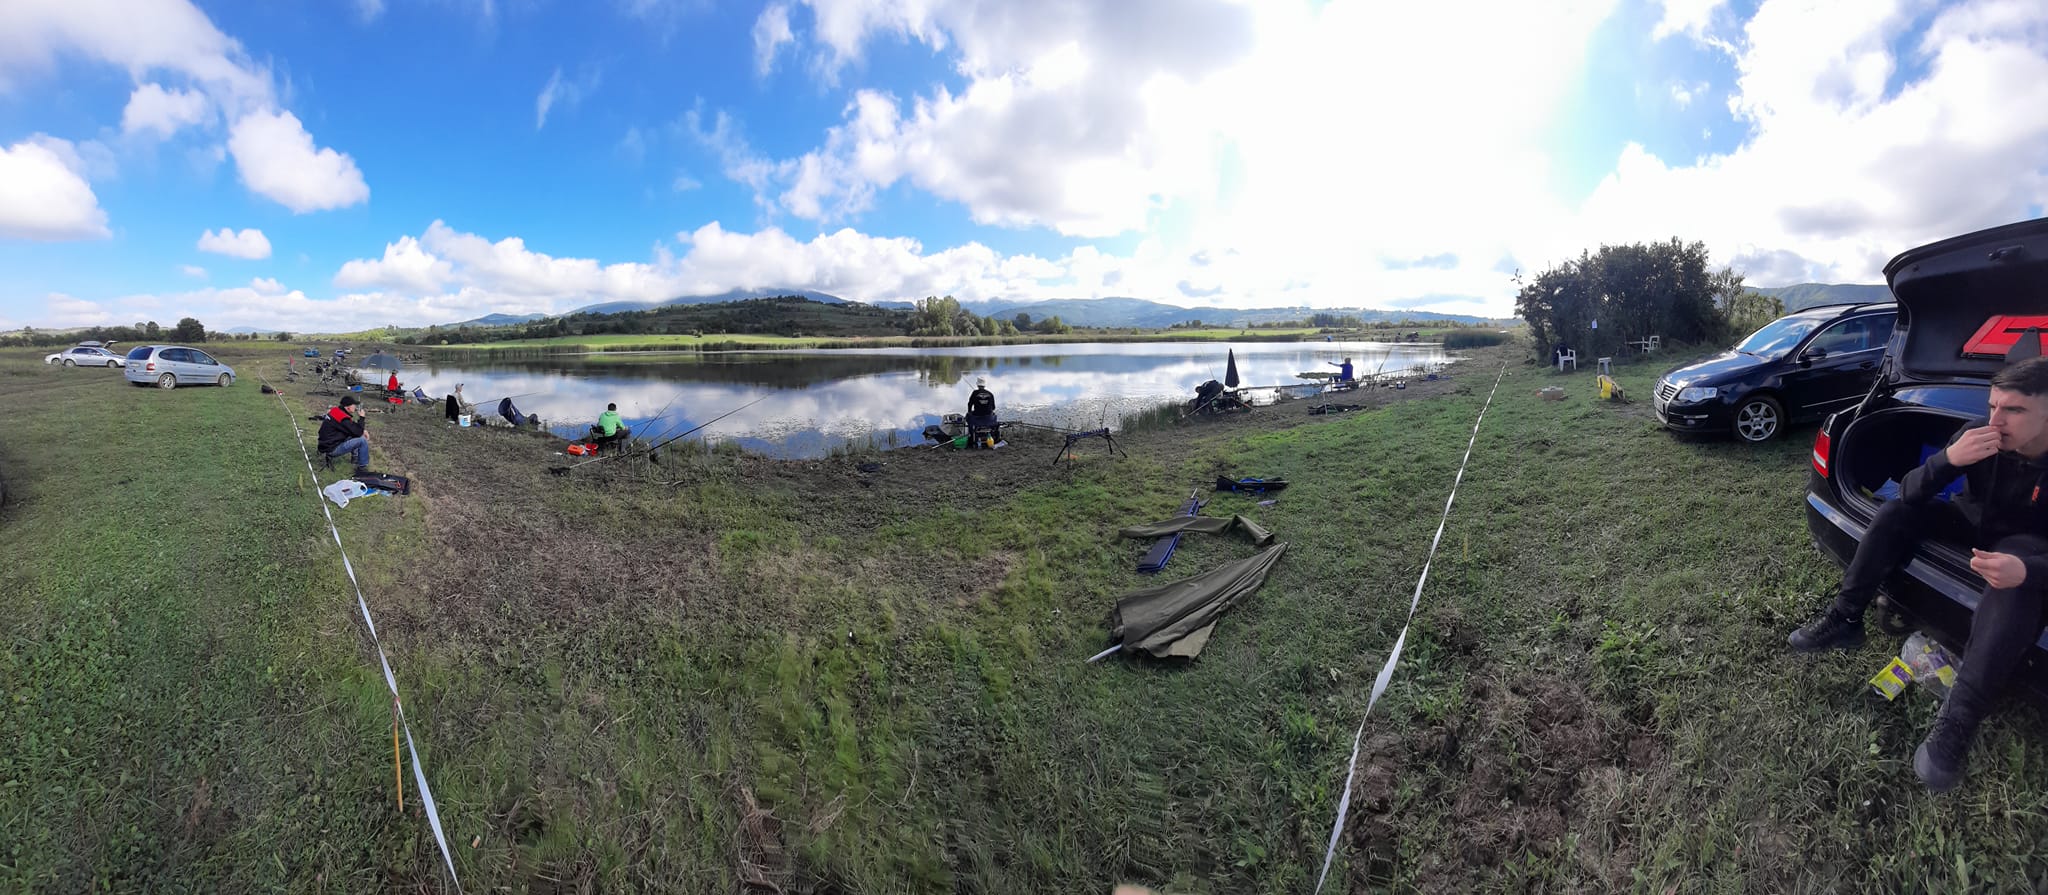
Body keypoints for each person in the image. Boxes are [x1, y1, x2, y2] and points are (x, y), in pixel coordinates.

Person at [1788, 356, 2048, 791]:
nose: (1996, 420)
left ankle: (1957, 723)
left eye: (2013, 410)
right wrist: (1949, 458)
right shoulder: (1979, 437)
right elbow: (1909, 491)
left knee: (2014, 588)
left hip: (2026, 546)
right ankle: (1845, 618)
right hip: (1971, 522)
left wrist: (2029, 570)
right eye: (1992, 407)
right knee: (1895, 513)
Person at [317, 395, 371, 475]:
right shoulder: (343, 418)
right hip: (331, 449)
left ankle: (355, 459)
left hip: (324, 444)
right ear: (347, 407)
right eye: (354, 405)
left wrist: (363, 430)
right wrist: (362, 418)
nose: (355, 407)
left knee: (355, 433)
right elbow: (357, 432)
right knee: (362, 440)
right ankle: (362, 468)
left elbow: (351, 427)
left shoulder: (335, 411)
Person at [965, 377, 998, 446]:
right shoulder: (990, 394)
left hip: (977, 417)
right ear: (984, 385)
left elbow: (969, 404)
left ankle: (971, 435)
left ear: (977, 385)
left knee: (968, 416)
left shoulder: (974, 393)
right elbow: (993, 407)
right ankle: (992, 434)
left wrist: (969, 412)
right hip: (988, 418)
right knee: (994, 414)